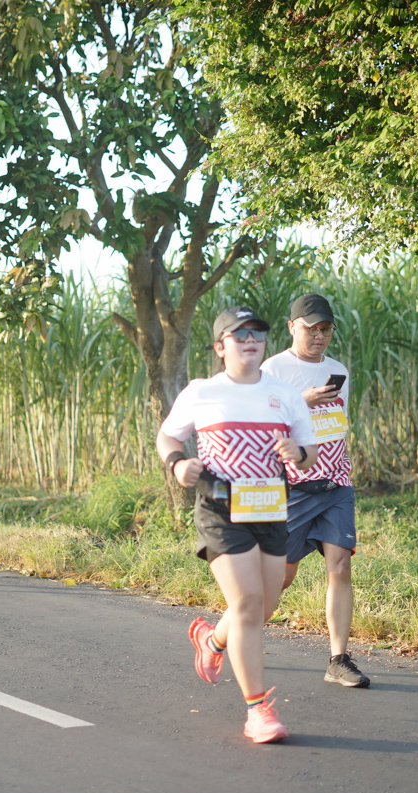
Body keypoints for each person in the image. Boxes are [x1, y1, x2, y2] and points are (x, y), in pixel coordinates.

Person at [158, 306, 319, 744]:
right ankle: (258, 711)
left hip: (270, 508)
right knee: (247, 602)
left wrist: (296, 452)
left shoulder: (284, 394)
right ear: (220, 347)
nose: (250, 340)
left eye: (257, 334)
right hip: (220, 509)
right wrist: (178, 464)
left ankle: (212, 640)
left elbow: (310, 452)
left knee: (263, 606)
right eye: (239, 334)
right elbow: (168, 436)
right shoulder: (202, 392)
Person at [262, 294, 370, 688]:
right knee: (280, 578)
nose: (319, 336)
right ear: (292, 327)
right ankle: (230, 636)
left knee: (340, 567)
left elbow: (338, 423)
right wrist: (301, 401)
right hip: (293, 488)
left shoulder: (338, 370)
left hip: (336, 483)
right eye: (311, 329)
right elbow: (262, 428)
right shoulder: (273, 370)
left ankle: (338, 660)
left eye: (326, 329)